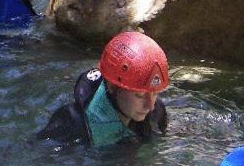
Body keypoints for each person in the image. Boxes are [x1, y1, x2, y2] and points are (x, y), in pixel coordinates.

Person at [36, 31, 170, 148]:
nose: (150, 105)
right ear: (112, 87)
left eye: (155, 94)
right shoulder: (72, 124)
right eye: (139, 95)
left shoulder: (156, 112)